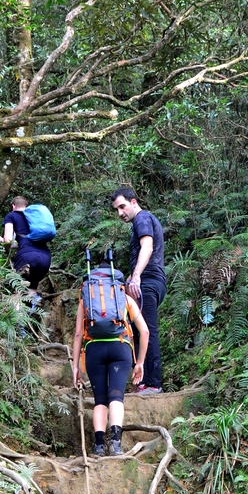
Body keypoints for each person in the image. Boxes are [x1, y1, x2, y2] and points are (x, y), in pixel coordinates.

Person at [73, 263, 149, 456]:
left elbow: (78, 335)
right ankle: (115, 443)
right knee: (116, 396)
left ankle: (99, 445)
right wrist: (139, 362)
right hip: (120, 348)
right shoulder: (124, 298)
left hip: (94, 349)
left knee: (100, 400)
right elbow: (145, 331)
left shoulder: (87, 299)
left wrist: (75, 367)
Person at [111, 186, 166, 394]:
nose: (120, 213)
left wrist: (136, 277)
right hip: (150, 280)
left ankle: (153, 383)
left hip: (149, 281)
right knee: (138, 329)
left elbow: (148, 247)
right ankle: (145, 381)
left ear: (134, 202)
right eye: (117, 209)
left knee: (146, 330)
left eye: (123, 206)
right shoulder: (145, 220)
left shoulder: (142, 218)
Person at [0, 196, 52, 307]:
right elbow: (20, 242)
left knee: (17, 291)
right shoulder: (34, 218)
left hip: (27, 258)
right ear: (26, 206)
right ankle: (31, 318)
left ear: (13, 206)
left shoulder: (11, 216)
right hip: (46, 258)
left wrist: (4, 245)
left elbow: (8, 240)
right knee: (31, 290)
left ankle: (16, 322)